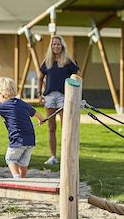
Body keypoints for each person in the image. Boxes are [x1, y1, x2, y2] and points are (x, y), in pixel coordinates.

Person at [0, 77, 45, 179]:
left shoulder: (4, 106)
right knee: (23, 162)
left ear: (2, 94)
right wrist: (41, 119)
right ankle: (23, 179)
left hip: (18, 139)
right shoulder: (21, 103)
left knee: (10, 159)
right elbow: (34, 111)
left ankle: (17, 178)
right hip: (30, 139)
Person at [38, 35, 79, 165]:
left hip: (64, 97)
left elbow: (77, 75)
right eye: (54, 44)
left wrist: (74, 93)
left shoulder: (67, 61)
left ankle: (67, 156)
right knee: (51, 127)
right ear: (51, 46)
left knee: (65, 126)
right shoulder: (47, 61)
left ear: (62, 46)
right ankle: (53, 156)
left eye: (58, 44)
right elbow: (40, 77)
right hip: (50, 96)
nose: (56, 46)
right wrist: (39, 94)